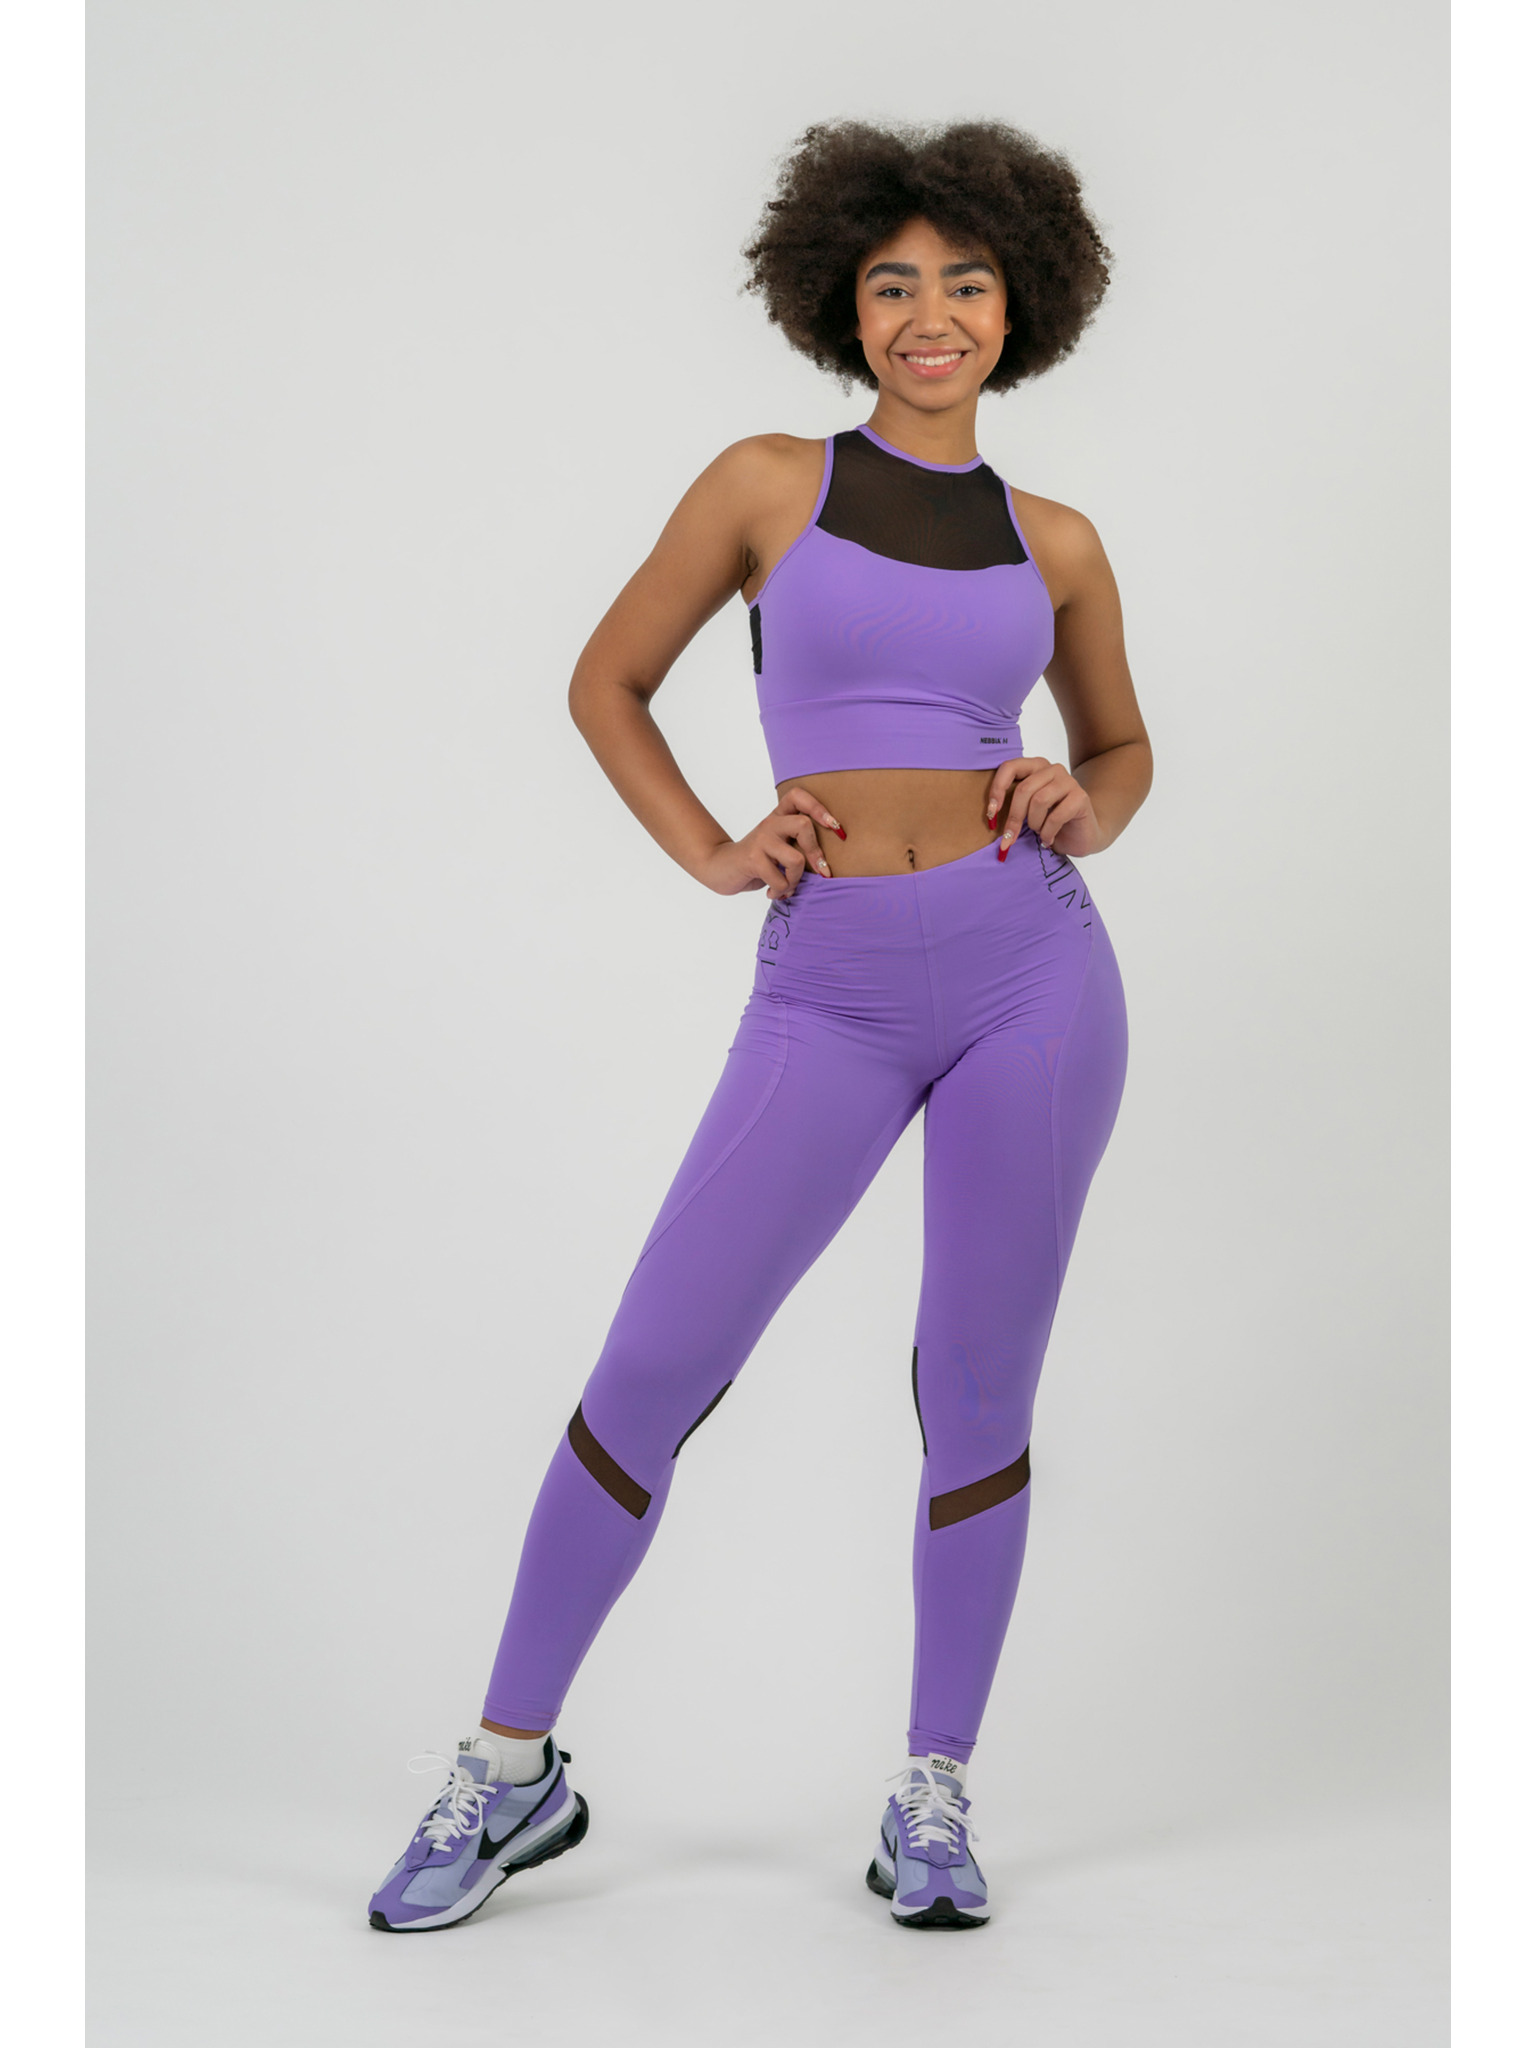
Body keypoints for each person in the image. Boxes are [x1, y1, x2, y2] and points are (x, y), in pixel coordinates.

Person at [368, 117, 1151, 1934]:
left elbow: (1118, 745)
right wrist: (716, 851)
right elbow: (607, 680)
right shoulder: (766, 483)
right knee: (657, 1361)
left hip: (1035, 980)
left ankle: (934, 1791)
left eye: (967, 282)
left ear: (1020, 305)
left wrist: (1090, 803)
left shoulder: (1059, 541)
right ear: (842, 306)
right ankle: (506, 1766)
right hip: (832, 988)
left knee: (977, 1387)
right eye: (895, 283)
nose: (931, 313)